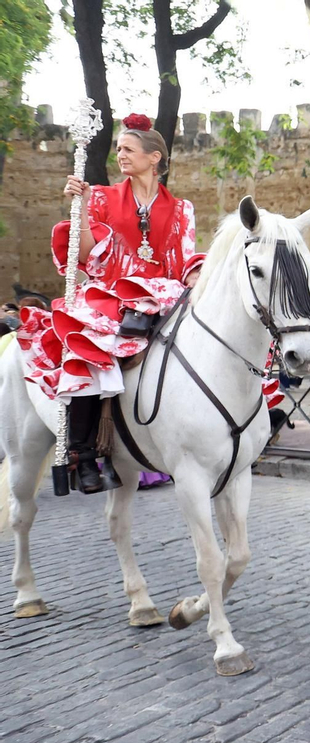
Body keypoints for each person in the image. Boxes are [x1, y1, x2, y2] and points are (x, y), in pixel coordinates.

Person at [15, 113, 204, 493]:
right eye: (118, 148)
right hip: (111, 292)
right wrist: (81, 209)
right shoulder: (101, 197)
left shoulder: (181, 208)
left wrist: (199, 282)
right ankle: (83, 454)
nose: (120, 154)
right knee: (89, 342)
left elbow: (186, 261)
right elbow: (85, 255)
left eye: (128, 148)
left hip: (162, 293)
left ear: (154, 157)